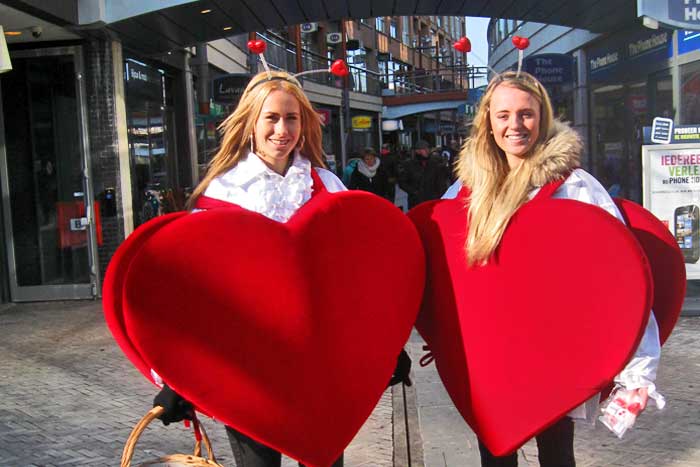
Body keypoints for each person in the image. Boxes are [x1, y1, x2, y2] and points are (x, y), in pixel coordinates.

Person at [151, 70, 411, 467]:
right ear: (251, 123)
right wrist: (177, 377)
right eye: (271, 118)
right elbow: (196, 293)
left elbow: (357, 276)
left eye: (291, 118)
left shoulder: (328, 186)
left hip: (319, 364)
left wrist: (384, 344)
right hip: (246, 367)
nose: (282, 129)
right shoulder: (219, 194)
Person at [443, 71, 664, 467]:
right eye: (504, 115)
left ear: (542, 118)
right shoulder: (465, 193)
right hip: (491, 359)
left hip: (554, 353)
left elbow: (623, 278)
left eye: (526, 114)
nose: (515, 125)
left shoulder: (575, 188)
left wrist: (638, 371)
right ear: (488, 123)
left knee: (557, 454)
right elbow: (444, 274)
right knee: (495, 454)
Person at [398, 139, 450, 209]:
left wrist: (441, 198)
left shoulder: (435, 164)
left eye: (428, 148)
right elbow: (402, 182)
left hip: (432, 202)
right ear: (417, 151)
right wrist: (414, 192)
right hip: (416, 202)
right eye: (424, 149)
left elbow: (441, 183)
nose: (427, 151)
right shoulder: (409, 165)